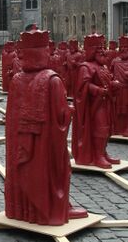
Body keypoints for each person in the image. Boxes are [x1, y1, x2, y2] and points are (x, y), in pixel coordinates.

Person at [5, 29, 88, 224]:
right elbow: (60, 117)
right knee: (53, 168)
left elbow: (12, 120)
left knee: (25, 168)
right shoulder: (52, 80)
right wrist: (70, 111)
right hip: (45, 145)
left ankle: (23, 210)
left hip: (21, 143)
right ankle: (52, 207)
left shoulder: (17, 80)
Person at [72, 35, 120, 169]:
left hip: (106, 102)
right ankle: (97, 156)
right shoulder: (85, 67)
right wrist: (97, 90)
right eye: (100, 50)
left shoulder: (103, 66)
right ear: (92, 51)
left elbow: (108, 80)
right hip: (94, 105)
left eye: (103, 48)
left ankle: (103, 152)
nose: (103, 52)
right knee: (101, 128)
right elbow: (83, 87)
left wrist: (113, 84)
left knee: (107, 128)